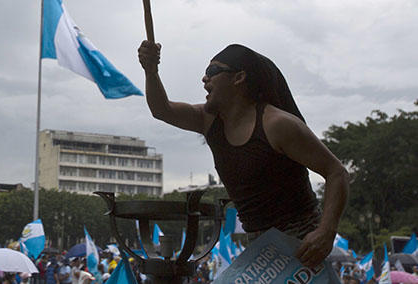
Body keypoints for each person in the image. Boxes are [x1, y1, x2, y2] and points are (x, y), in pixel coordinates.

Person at [137, 41, 349, 268]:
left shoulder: (277, 125)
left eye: (212, 72)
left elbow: (337, 172)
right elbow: (162, 109)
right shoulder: (209, 121)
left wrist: (325, 232)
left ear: (239, 78)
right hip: (258, 246)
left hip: (301, 243)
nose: (204, 79)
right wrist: (151, 71)